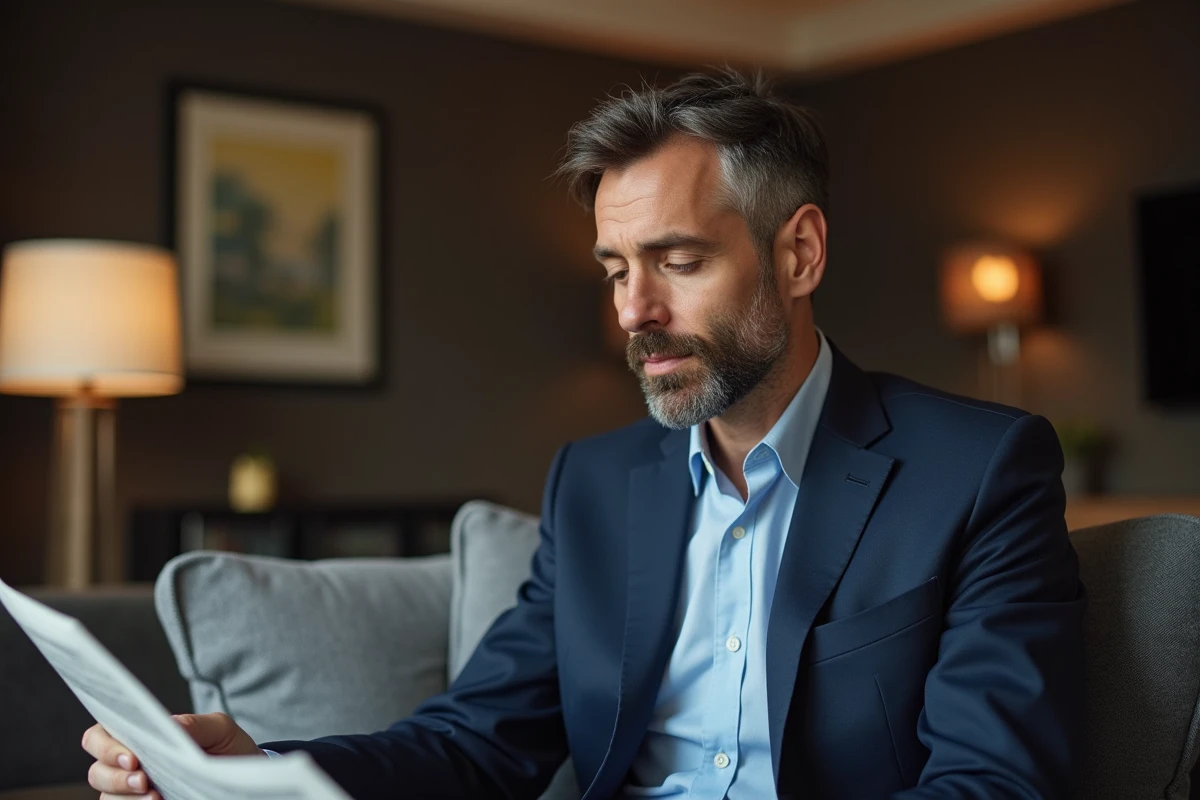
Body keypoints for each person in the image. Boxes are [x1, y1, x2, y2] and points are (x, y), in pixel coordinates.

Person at [84, 69, 1085, 800]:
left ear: (800, 253)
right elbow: (477, 739)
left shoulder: (979, 468)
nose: (632, 310)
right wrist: (254, 761)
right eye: (615, 268)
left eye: (678, 261)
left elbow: (990, 784)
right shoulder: (594, 484)